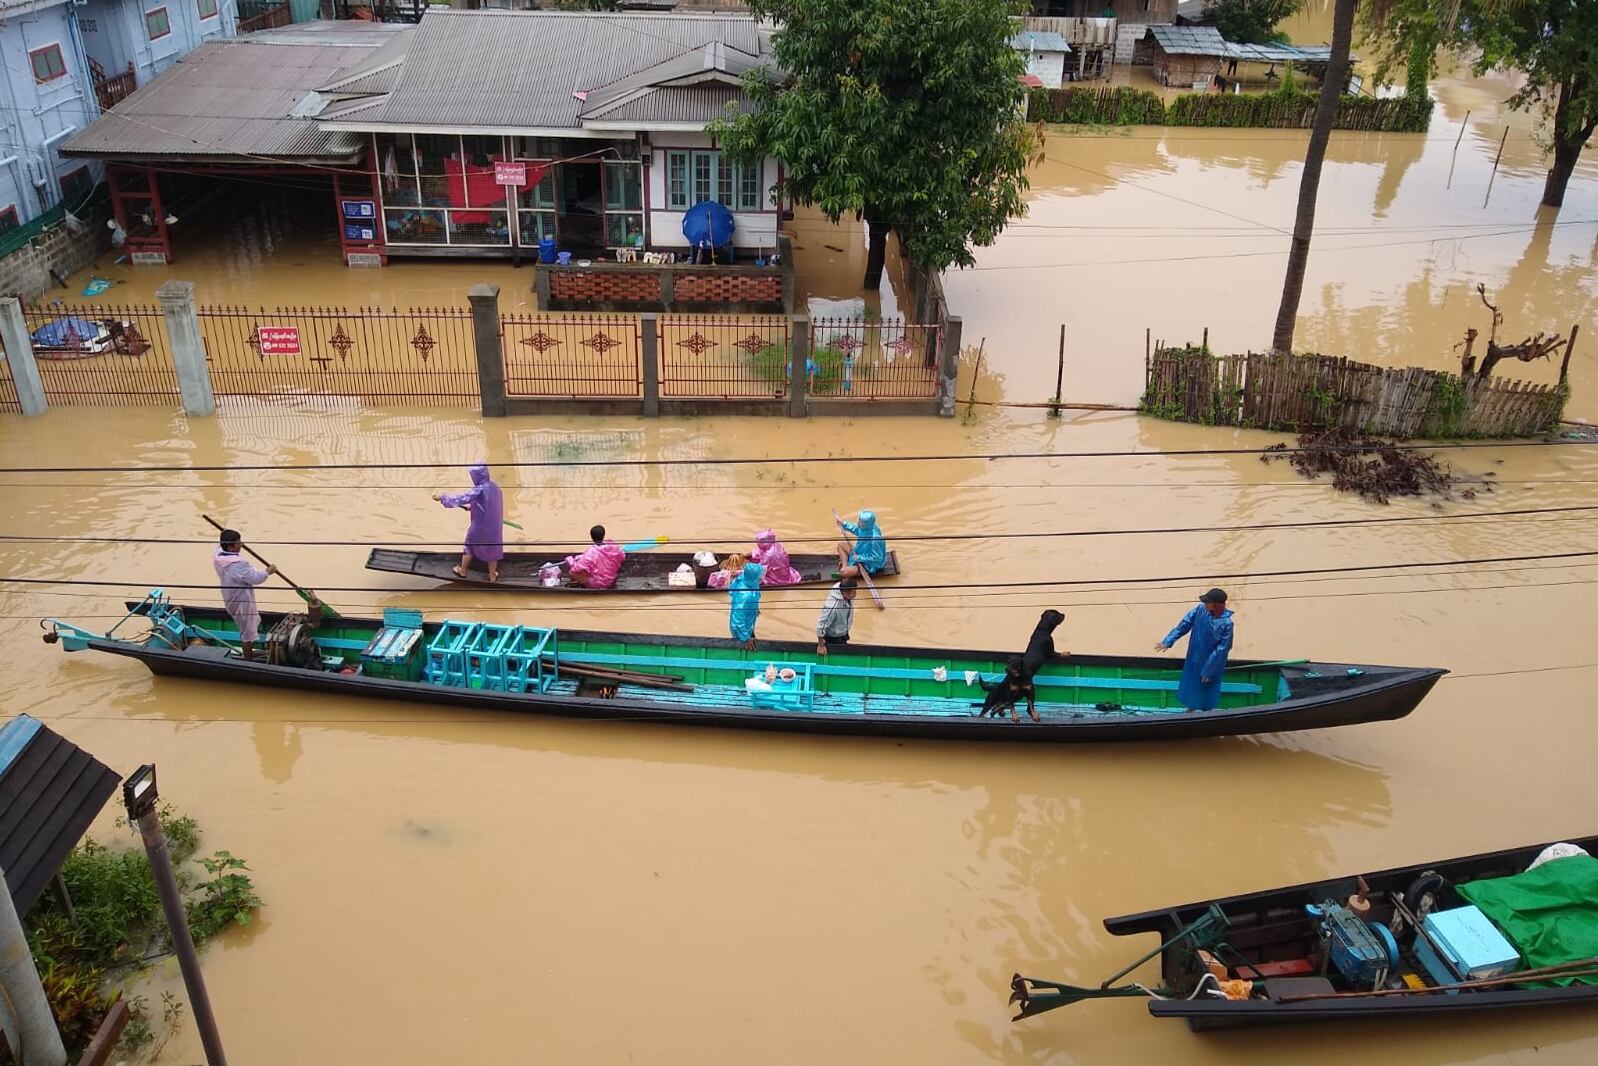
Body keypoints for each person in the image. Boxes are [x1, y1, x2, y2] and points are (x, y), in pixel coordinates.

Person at [1155, 588, 1235, 712]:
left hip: (1212, 662)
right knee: (1191, 685)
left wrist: (1209, 670)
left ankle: (1206, 714)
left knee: (1207, 688)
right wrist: (1168, 641)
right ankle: (1191, 708)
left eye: (1208, 602)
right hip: (1193, 658)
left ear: (1216, 605)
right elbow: (1184, 624)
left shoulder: (1226, 623)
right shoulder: (1200, 610)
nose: (1205, 604)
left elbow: (1223, 649)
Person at [433, 464, 504, 583]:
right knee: (493, 547)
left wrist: (443, 497)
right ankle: (492, 575)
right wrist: (473, 507)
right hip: (495, 524)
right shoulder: (494, 486)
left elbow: (462, 498)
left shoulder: (478, 489)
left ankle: (463, 571)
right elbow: (490, 504)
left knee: (469, 545)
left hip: (481, 525)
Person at [213, 529, 275, 661]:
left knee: (247, 625)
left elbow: (221, 544)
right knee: (247, 630)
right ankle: (248, 659)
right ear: (230, 547)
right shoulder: (238, 565)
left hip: (229, 594)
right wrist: (268, 571)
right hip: (240, 600)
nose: (242, 544)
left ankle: (251, 651)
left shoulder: (218, 554)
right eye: (238, 543)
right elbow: (255, 578)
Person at [565, 525, 626, 589]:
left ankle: (578, 582)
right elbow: (623, 556)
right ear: (604, 535)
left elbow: (577, 568)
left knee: (572, 572)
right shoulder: (615, 547)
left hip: (598, 584)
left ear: (592, 537)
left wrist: (570, 560)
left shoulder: (591, 552)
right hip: (612, 580)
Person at [834, 509, 887, 579]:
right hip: (858, 553)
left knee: (844, 572)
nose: (857, 521)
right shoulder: (867, 527)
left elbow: (877, 558)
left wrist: (860, 558)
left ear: (864, 524)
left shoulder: (875, 539)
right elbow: (856, 529)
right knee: (841, 545)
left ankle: (846, 569)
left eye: (859, 521)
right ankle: (845, 566)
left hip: (869, 564)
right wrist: (844, 524)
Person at [727, 561, 766, 649]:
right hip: (741, 629)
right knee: (748, 645)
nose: (761, 577)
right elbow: (737, 623)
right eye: (759, 575)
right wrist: (746, 638)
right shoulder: (745, 597)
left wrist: (754, 608)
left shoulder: (748, 581)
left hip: (748, 620)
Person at [815, 578, 858, 655]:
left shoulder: (846, 593)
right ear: (844, 593)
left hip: (843, 630)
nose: (855, 594)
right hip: (833, 637)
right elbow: (821, 625)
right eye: (853, 592)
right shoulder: (832, 607)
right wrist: (821, 645)